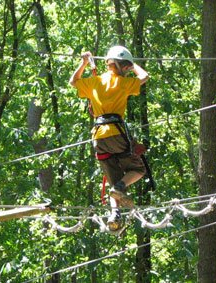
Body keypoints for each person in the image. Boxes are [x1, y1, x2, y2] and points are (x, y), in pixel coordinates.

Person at [69, 46, 149, 231]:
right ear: (120, 66)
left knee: (112, 179)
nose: (129, 71)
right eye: (127, 67)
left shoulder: (95, 81)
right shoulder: (122, 83)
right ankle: (121, 186)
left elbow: (73, 82)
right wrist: (134, 63)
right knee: (137, 170)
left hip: (98, 138)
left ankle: (115, 213)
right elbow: (144, 77)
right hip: (116, 133)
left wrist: (82, 64)